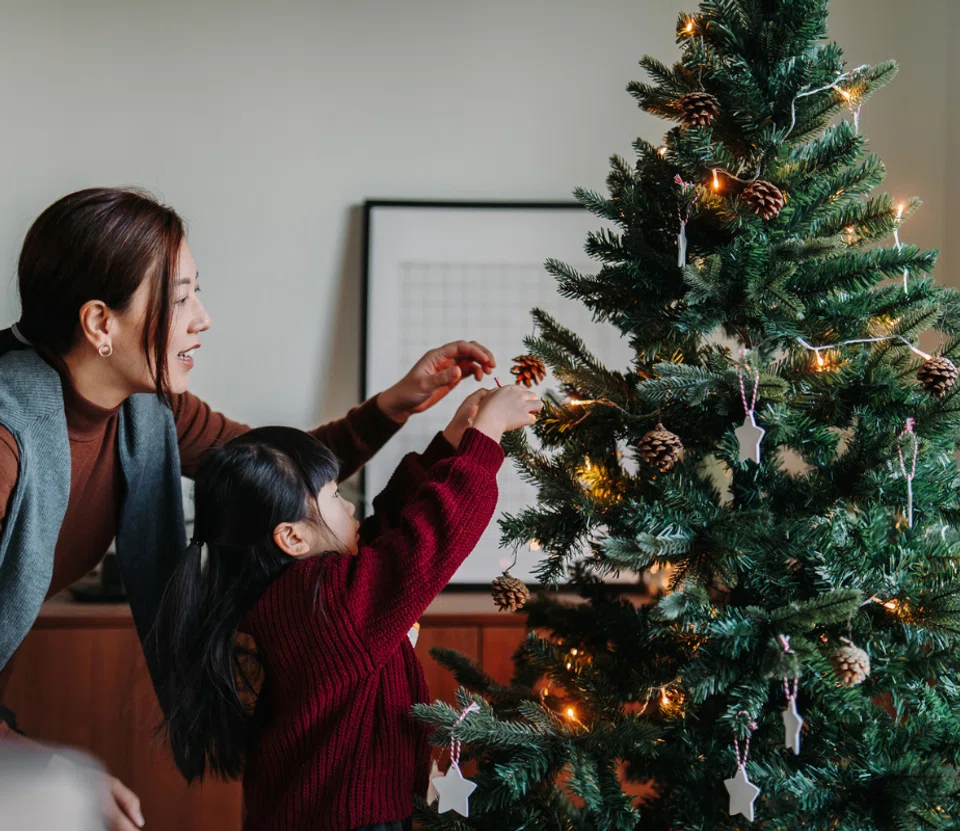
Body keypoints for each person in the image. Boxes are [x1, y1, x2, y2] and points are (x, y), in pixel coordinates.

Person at [0, 187, 497, 831]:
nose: (202, 318)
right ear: (100, 323)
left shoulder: (150, 408)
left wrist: (392, 405)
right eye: (179, 299)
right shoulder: (8, 436)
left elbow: (274, 476)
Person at [151, 383, 540, 831]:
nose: (350, 505)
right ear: (292, 537)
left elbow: (387, 537)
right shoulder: (330, 604)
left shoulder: (300, 591)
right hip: (354, 822)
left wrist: (451, 442)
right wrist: (486, 436)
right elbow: (426, 541)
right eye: (335, 496)